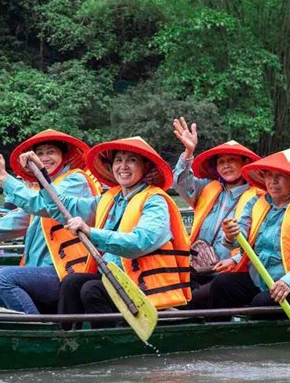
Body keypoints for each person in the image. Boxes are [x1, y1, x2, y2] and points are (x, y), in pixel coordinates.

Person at [0, 130, 101, 314]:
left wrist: (3, 177)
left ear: (64, 156)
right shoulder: (40, 188)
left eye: (51, 152)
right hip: (39, 270)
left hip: (68, 272)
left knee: (4, 278)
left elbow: (41, 204)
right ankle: (20, 320)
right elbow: (13, 221)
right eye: (40, 153)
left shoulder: (75, 180)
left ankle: (36, 329)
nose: (45, 158)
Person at [44, 137, 190, 328]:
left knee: (92, 289)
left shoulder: (155, 201)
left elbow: (140, 242)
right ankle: (68, 338)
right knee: (72, 282)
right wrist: (42, 175)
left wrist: (91, 232)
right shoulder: (110, 198)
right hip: (114, 277)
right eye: (119, 160)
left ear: (145, 167)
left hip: (143, 286)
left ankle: (106, 341)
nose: (123, 166)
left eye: (131, 160)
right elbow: (62, 206)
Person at [208, 148, 290, 311]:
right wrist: (230, 235)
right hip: (259, 279)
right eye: (269, 175)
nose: (273, 181)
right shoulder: (256, 202)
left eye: (280, 176)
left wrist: (287, 282)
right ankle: (222, 332)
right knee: (221, 284)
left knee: (261, 304)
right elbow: (238, 240)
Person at [171, 118, 262, 298]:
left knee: (196, 298)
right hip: (197, 267)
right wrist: (189, 152)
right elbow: (180, 183)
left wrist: (235, 259)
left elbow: (262, 240)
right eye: (221, 162)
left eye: (232, 160)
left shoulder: (259, 198)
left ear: (245, 164)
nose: (226, 165)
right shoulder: (207, 187)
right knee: (170, 285)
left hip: (232, 272)